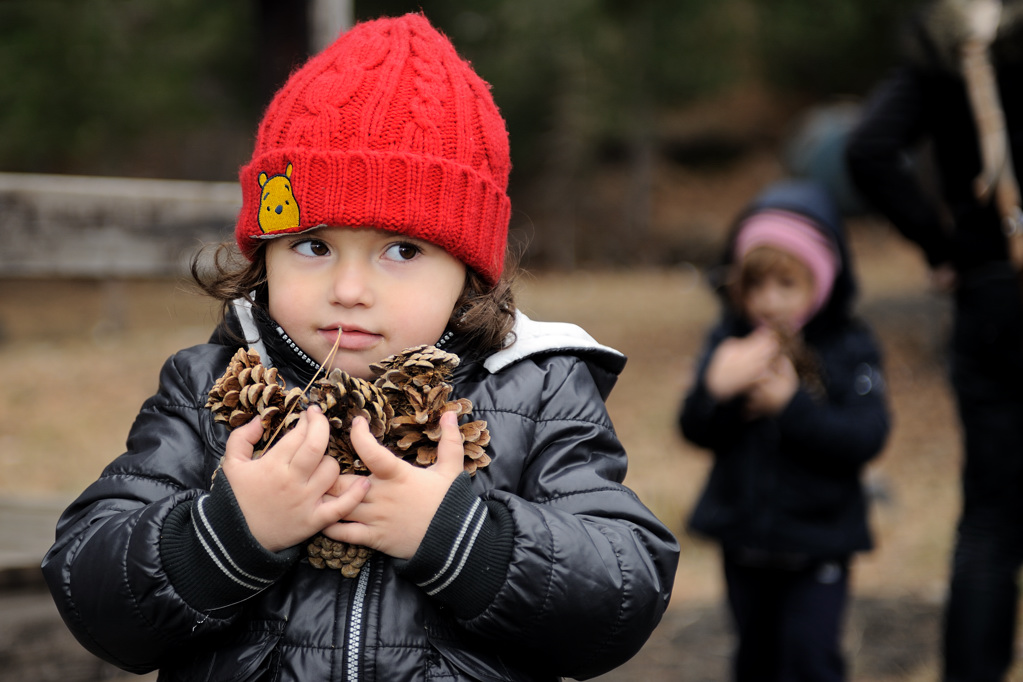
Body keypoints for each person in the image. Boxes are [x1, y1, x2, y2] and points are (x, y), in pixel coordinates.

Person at [41, 13, 679, 681]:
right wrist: (227, 533)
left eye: (400, 251)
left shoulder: (536, 392)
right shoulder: (212, 388)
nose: (349, 289)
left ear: (469, 272)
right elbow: (92, 593)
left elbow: (621, 594)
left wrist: (458, 538)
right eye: (312, 246)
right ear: (266, 256)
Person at [845, 2, 1023, 680]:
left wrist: (945, 247)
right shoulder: (963, 46)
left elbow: (867, 149)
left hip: (990, 292)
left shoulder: (948, 45)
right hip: (995, 282)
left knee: (989, 517)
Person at [677, 179, 890, 682]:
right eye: (755, 286)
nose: (769, 301)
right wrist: (716, 389)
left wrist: (790, 406)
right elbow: (695, 427)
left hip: (819, 541)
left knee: (810, 657)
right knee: (755, 656)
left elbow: (866, 436)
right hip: (745, 538)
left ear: (822, 280)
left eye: (787, 284)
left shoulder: (848, 346)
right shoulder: (730, 340)